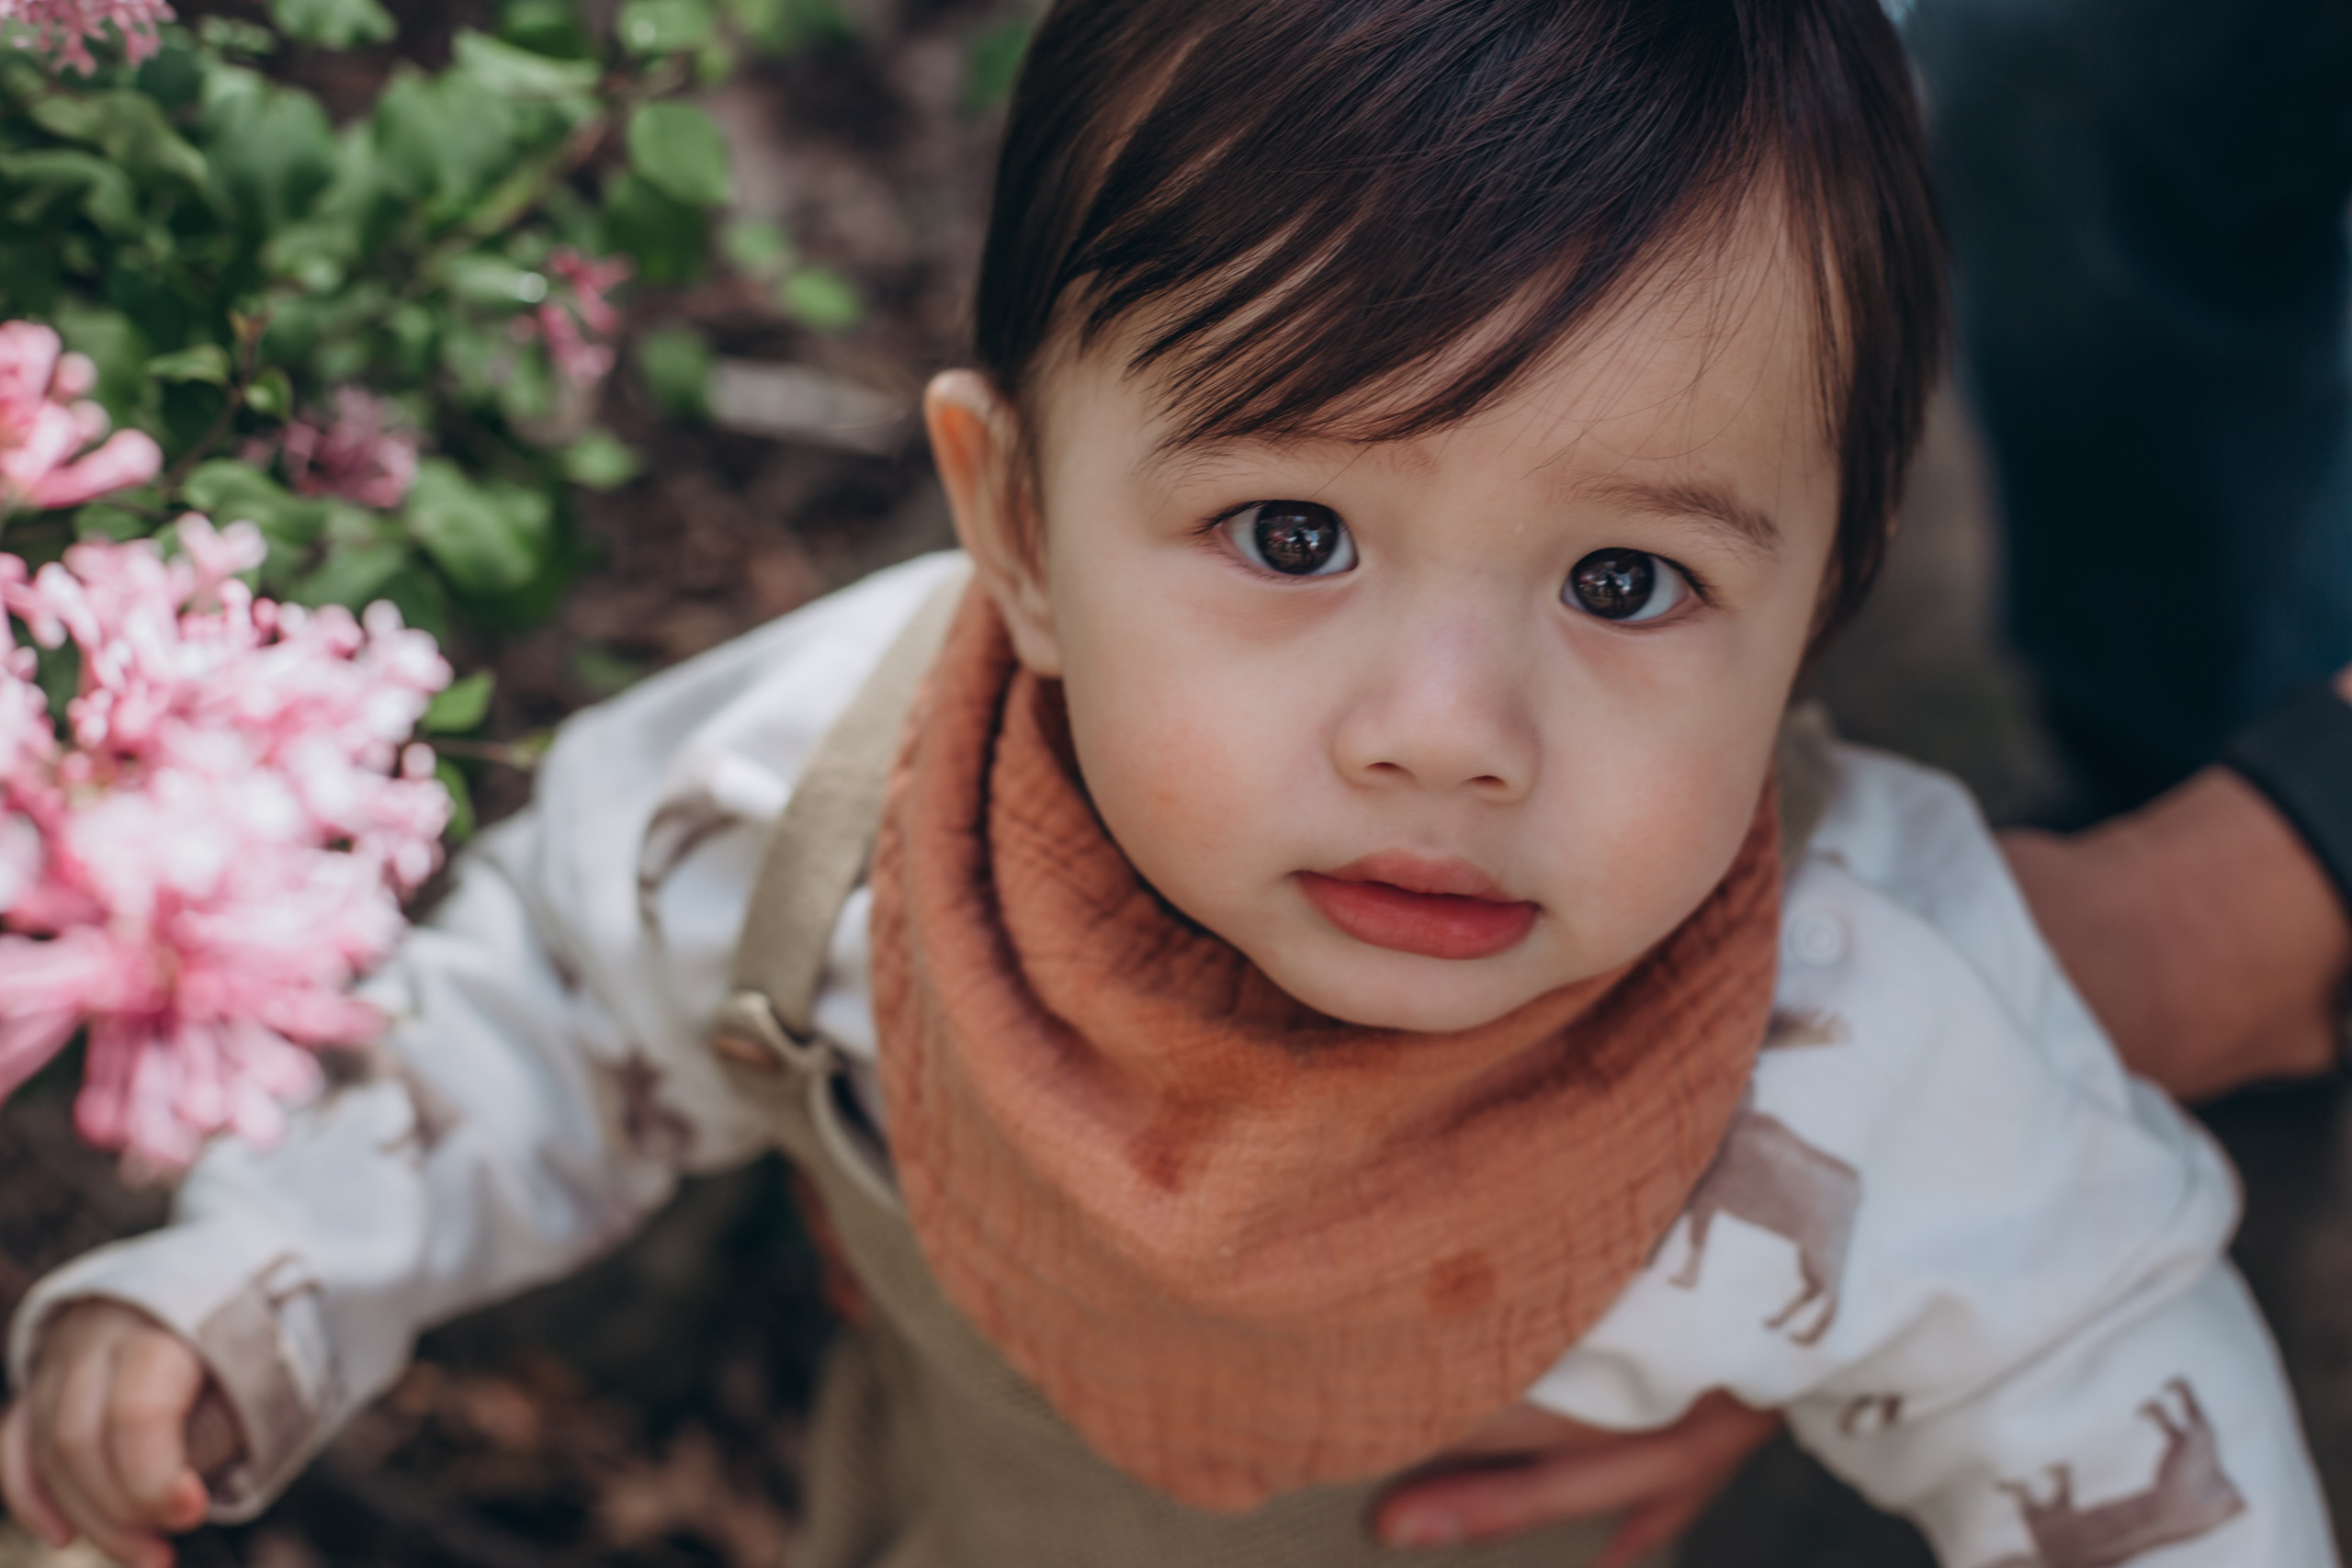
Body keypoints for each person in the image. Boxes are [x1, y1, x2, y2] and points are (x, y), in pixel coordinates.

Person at [0, 2, 2336, 1566]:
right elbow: (542, 1017)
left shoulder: (1871, 1034)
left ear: (1827, 592)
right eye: (1291, 536)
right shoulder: (815, 795)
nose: (1447, 726)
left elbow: (2101, 1374)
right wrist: (262, 1273)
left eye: (1626, 579)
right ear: (1008, 524)